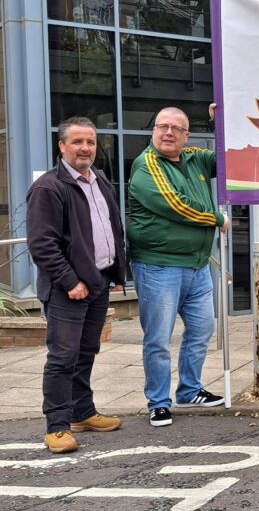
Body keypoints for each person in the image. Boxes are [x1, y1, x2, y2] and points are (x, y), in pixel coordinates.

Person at [26, 117, 126, 454]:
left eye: (91, 142)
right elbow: (42, 245)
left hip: (97, 283)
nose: (86, 148)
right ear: (62, 146)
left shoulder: (99, 180)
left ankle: (82, 412)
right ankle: (57, 425)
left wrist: (112, 273)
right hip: (67, 289)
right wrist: (71, 281)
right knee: (62, 357)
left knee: (86, 351)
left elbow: (109, 229)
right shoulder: (48, 187)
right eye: (78, 142)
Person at [128, 107, 229, 427]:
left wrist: (221, 118)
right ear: (153, 131)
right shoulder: (146, 165)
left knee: (202, 329)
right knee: (158, 338)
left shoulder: (194, 156)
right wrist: (216, 218)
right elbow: (175, 206)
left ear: (187, 136)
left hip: (197, 266)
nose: (168, 133)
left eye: (176, 128)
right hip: (159, 266)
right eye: (162, 127)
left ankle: (189, 389)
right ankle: (158, 401)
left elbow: (228, 157)